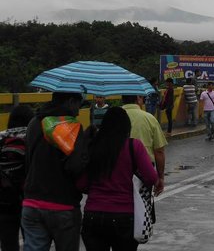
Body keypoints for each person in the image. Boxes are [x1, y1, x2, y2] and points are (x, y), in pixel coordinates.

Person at [77, 107, 158, 251]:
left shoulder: (93, 145)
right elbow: (151, 178)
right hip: (125, 217)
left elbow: (82, 184)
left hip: (93, 216)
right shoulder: (134, 146)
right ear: (127, 126)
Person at [22, 92, 90, 251]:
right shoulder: (73, 127)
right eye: (78, 105)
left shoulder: (34, 122)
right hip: (63, 205)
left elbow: (28, 160)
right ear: (71, 101)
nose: (79, 111)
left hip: (32, 202)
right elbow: (75, 167)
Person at [0, 105, 34, 251]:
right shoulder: (33, 137)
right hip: (28, 199)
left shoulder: (1, 138)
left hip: (4, 200)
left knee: (8, 244)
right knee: (32, 243)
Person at [122, 95, 167, 197]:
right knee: (143, 208)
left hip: (118, 170)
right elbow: (159, 151)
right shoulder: (149, 118)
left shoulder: (113, 118)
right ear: (138, 99)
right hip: (144, 170)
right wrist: (160, 177)